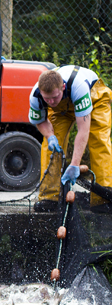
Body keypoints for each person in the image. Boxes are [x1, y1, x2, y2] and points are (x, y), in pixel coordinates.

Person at [29, 65, 112, 213]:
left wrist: (75, 164)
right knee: (51, 147)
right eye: (47, 99)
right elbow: (40, 121)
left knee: (99, 140)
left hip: (94, 98)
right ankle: (49, 197)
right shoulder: (36, 96)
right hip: (63, 109)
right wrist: (50, 136)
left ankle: (102, 199)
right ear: (41, 92)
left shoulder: (78, 88)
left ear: (63, 87)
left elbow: (83, 130)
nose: (52, 102)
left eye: (54, 97)